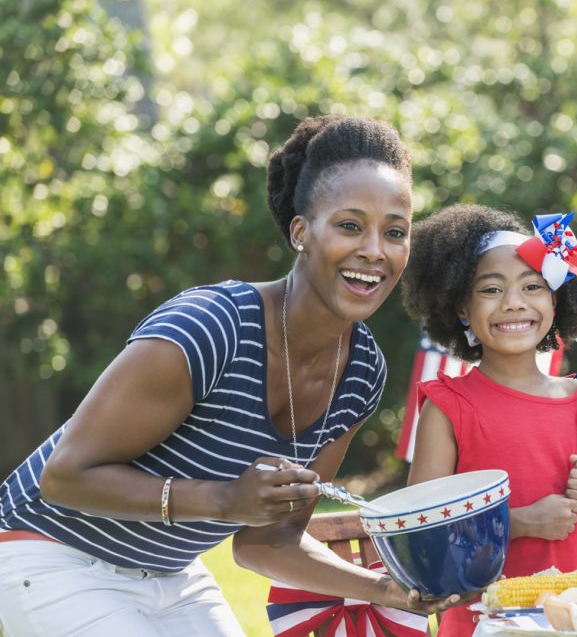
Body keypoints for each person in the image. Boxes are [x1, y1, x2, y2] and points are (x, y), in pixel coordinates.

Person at [0, 115, 459, 637]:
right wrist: (223, 500)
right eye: (350, 226)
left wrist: (388, 589)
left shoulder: (360, 373)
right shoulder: (211, 327)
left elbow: (268, 541)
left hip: (170, 573)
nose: (375, 250)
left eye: (394, 232)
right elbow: (64, 477)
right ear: (301, 232)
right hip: (49, 552)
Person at [401, 205, 577, 637]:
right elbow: (421, 530)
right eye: (491, 290)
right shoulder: (449, 406)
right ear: (461, 308)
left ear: (555, 301)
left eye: (532, 286)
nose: (514, 303)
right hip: (485, 622)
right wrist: (519, 523)